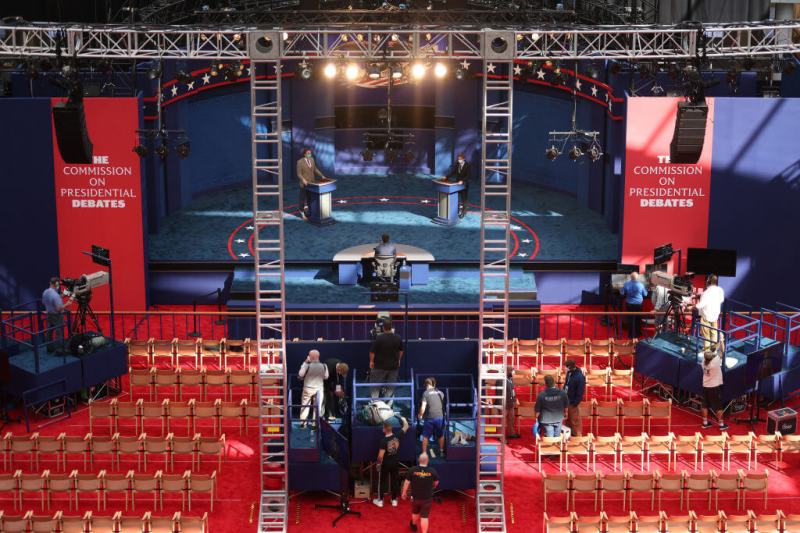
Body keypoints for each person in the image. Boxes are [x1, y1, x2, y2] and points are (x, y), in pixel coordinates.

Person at [373, 415, 410, 508]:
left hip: (385, 464)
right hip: (395, 462)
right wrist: (403, 418)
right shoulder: (397, 436)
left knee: (382, 482)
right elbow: (406, 426)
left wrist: (377, 466)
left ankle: (380, 501)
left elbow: (380, 456)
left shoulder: (383, 441)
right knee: (394, 481)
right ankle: (394, 500)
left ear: (384, 429)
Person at [402, 453, 440, 533]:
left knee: (415, 512)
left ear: (419, 460)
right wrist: (433, 486)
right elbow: (436, 483)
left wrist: (404, 492)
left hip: (415, 497)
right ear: (427, 461)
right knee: (424, 516)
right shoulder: (432, 471)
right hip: (427, 498)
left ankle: (413, 525)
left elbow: (406, 482)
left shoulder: (412, 470)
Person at [369, 319, 403, 399]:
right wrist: (398, 360)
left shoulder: (379, 338)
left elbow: (372, 352)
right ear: (391, 327)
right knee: (391, 386)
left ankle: (375, 404)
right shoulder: (398, 337)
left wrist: (371, 361)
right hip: (393, 367)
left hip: (379, 367)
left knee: (375, 385)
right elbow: (401, 351)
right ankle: (387, 404)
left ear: (383, 328)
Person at [298, 349, 328, 426]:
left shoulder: (306, 365)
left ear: (310, 357)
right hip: (319, 389)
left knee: (305, 406)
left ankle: (303, 424)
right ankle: (315, 425)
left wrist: (305, 362)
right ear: (318, 356)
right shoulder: (324, 366)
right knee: (317, 408)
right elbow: (326, 377)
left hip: (307, 388)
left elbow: (301, 374)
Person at [696, 274, 726, 352]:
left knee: (706, 336)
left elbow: (700, 305)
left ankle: (707, 352)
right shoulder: (720, 290)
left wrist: (691, 306)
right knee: (714, 333)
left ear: (708, 281)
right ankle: (714, 350)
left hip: (706, 317)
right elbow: (721, 300)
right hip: (715, 316)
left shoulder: (706, 293)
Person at [296, 148, 327, 220]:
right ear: (304, 154)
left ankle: (310, 212)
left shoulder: (312, 160)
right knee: (302, 198)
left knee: (310, 198)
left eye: (310, 153)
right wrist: (303, 180)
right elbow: (299, 174)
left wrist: (322, 176)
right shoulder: (299, 162)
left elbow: (315, 169)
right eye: (308, 153)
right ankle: (302, 212)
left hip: (312, 183)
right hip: (304, 184)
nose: (309, 154)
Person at [701, 348, 728, 430]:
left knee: (704, 405)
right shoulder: (715, 362)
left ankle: (705, 423)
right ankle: (721, 424)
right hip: (714, 388)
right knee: (718, 407)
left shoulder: (703, 362)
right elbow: (722, 352)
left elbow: (711, 354)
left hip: (705, 386)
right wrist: (721, 342)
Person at [42, 277, 71, 353]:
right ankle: (60, 350)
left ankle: (49, 348)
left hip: (49, 315)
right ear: (56, 284)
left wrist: (61, 296)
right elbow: (59, 309)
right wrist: (67, 304)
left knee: (49, 332)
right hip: (57, 316)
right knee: (59, 332)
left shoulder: (45, 292)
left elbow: (44, 302)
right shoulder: (55, 296)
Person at [418, 377, 446, 457]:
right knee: (441, 435)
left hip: (429, 418)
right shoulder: (441, 393)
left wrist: (420, 415)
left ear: (427, 385)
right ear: (434, 384)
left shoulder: (425, 393)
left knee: (425, 436)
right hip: (440, 417)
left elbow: (423, 407)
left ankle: (424, 453)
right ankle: (441, 452)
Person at [441, 152, 471, 218]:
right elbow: (453, 172)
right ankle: (457, 210)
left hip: (464, 184)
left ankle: (463, 211)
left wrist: (462, 181)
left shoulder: (468, 165)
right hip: (457, 184)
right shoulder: (457, 164)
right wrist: (447, 177)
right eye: (458, 159)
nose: (459, 160)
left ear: (463, 159)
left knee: (464, 198)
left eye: (460, 159)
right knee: (457, 197)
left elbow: (468, 176)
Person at [620, 272, 648, 338]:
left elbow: (622, 293)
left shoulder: (626, 284)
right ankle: (638, 333)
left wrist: (621, 290)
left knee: (630, 319)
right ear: (637, 277)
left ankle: (630, 335)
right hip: (638, 304)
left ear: (630, 277)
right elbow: (645, 294)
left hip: (629, 304)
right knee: (638, 319)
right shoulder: (641, 285)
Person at [562, 360, 586, 437]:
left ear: (570, 367)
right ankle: (569, 435)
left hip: (573, 401)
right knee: (568, 419)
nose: (565, 369)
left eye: (566, 367)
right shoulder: (569, 373)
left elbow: (580, 391)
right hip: (567, 399)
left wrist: (575, 403)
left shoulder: (580, 377)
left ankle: (577, 436)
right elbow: (566, 384)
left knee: (575, 420)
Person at [505, 370, 521, 439]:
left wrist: (515, 399)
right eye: (512, 371)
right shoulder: (502, 380)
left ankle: (511, 433)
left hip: (510, 403)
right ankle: (501, 437)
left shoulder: (510, 379)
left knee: (511, 419)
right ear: (509, 372)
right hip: (504, 403)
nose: (514, 372)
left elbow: (512, 391)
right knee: (502, 420)